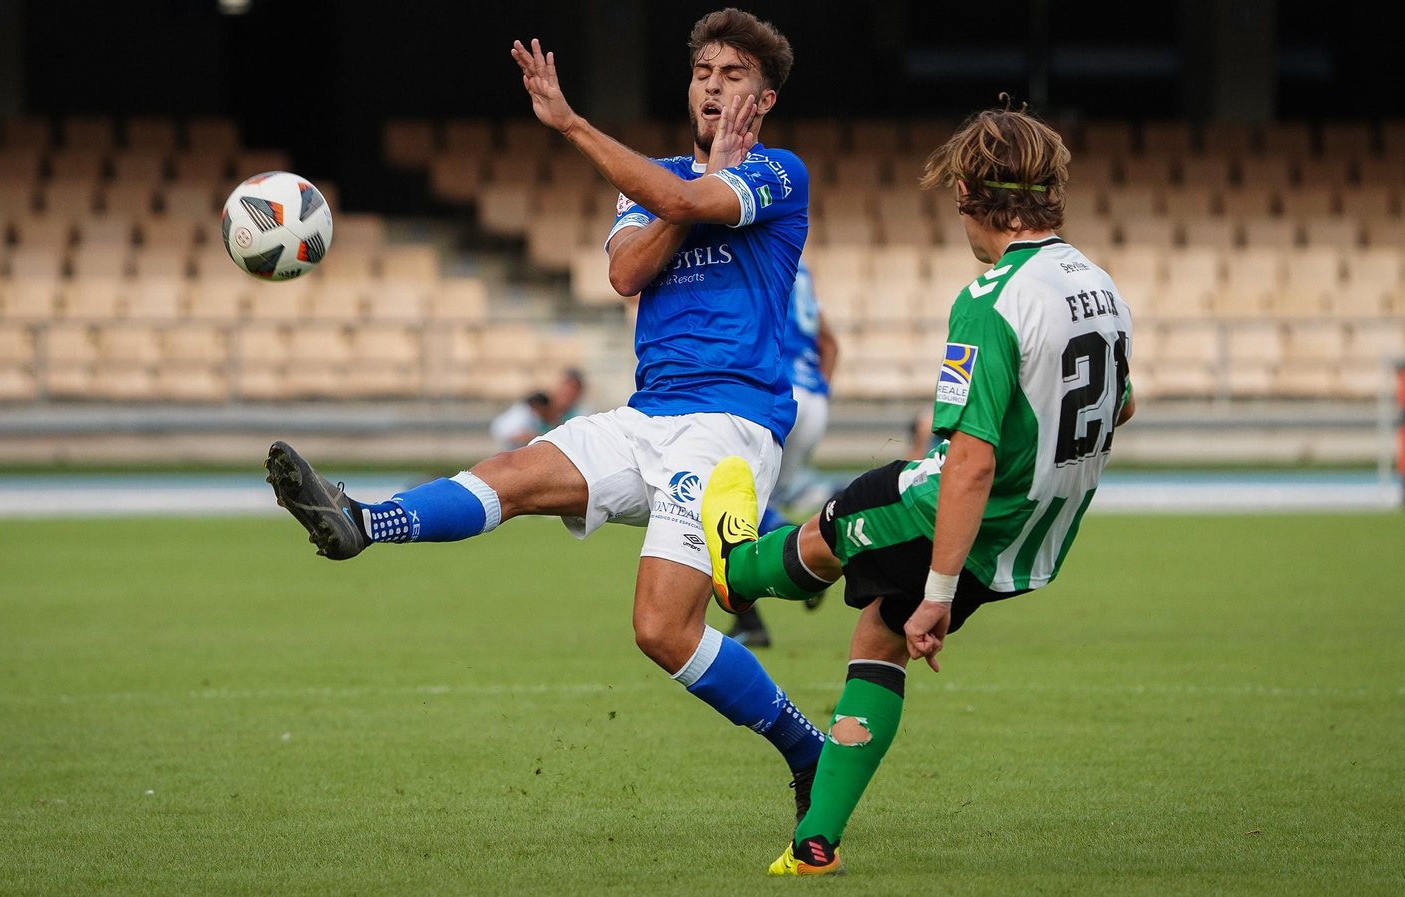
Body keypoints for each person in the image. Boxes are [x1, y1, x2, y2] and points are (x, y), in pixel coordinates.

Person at [264, 9, 827, 822]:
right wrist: (685, 198)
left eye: (733, 76)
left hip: (729, 426)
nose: (713, 87)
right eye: (705, 72)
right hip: (649, 415)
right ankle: (361, 520)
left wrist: (569, 124)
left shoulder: (781, 174)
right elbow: (627, 272)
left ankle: (808, 748)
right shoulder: (658, 180)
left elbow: (678, 197)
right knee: (514, 473)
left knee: (663, 632)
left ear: (763, 99)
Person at [702, 99, 1136, 875]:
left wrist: (937, 588)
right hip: (1032, 539)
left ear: (969, 195)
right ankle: (815, 842)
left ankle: (739, 573)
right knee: (879, 632)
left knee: (840, 520)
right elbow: (1122, 403)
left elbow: (967, 461)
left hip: (960, 514)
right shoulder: (1101, 286)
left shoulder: (992, 298)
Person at [727, 260, 838, 647]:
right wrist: (819, 392)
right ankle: (805, 556)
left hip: (777, 393)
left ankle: (807, 555)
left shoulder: (760, 254)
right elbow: (830, 343)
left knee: (725, 506)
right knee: (755, 506)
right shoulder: (802, 268)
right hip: (812, 397)